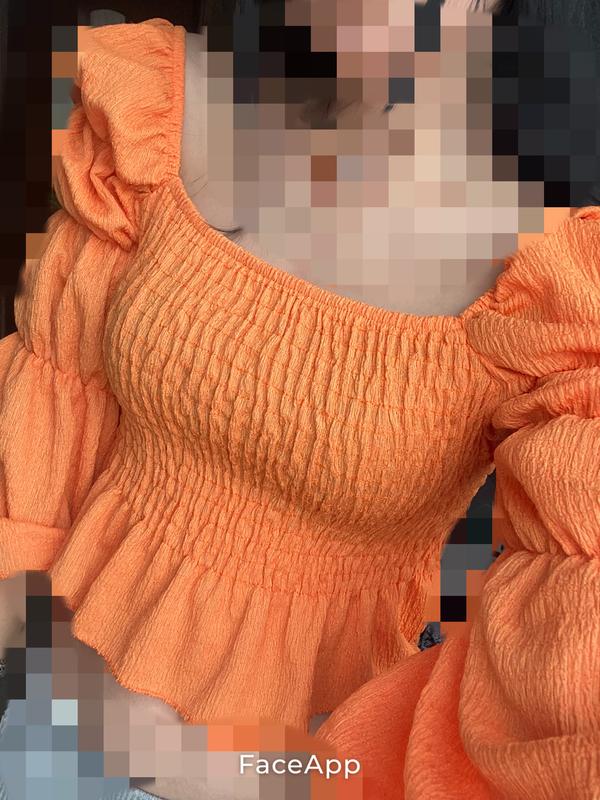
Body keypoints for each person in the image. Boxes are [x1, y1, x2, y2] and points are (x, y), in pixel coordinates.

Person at [0, 2, 599, 798]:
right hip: (43, 718)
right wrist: (31, 659)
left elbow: (561, 675)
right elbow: (53, 398)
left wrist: (239, 775)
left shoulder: (550, 286)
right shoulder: (164, 108)